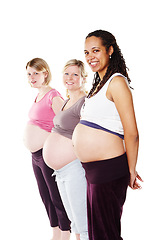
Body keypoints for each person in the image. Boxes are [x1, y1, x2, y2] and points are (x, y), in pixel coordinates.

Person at [72, 30, 143, 240]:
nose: (90, 57)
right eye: (86, 52)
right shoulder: (97, 87)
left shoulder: (117, 82)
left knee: (106, 235)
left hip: (108, 169)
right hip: (93, 171)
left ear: (110, 50)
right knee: (97, 234)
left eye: (96, 50)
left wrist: (131, 169)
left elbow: (132, 132)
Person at [23, 58, 71, 240]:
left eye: (36, 73)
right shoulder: (37, 95)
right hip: (35, 155)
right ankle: (55, 233)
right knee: (45, 196)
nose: (32, 77)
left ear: (45, 73)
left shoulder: (53, 95)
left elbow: (66, 124)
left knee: (55, 195)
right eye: (29, 74)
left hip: (47, 154)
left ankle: (65, 234)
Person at [43, 59, 89, 240]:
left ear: (83, 78)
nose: (70, 78)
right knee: (74, 222)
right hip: (60, 172)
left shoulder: (85, 102)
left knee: (83, 224)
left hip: (74, 169)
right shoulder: (66, 101)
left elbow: (90, 134)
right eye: (67, 73)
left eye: (75, 74)